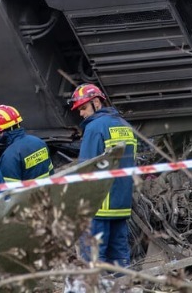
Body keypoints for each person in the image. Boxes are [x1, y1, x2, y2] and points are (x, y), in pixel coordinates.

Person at [71, 83, 136, 267]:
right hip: (121, 205)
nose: (81, 114)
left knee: (93, 262)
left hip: (97, 207)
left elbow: (86, 168)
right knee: (120, 261)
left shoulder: (94, 128)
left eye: (83, 108)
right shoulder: (126, 126)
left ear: (97, 103)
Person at [0, 104, 54, 182]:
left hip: (29, 194)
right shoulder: (39, 142)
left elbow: (8, 190)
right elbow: (51, 172)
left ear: (0, 130)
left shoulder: (10, 156)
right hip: (46, 192)